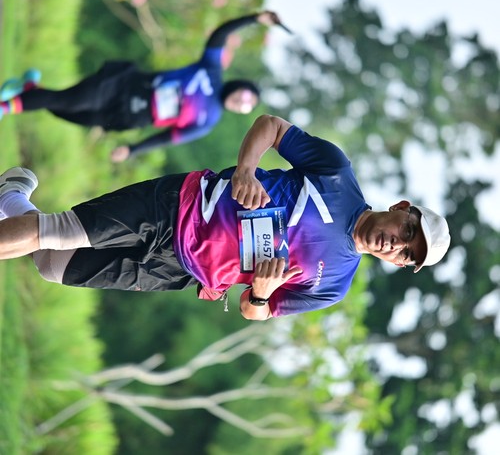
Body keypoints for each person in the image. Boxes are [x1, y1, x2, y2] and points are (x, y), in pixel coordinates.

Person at [0, 114, 451, 319]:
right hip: (179, 207)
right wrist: (246, 171)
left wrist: (261, 292)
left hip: (181, 270)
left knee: (53, 265)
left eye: (406, 254)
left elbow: (256, 313)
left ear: (399, 264)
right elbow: (271, 126)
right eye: (407, 231)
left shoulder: (333, 284)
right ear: (401, 208)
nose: (397, 244)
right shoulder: (336, 173)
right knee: (58, 233)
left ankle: (12, 193)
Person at [0, 11, 284, 162]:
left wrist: (132, 150)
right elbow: (220, 34)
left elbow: (167, 138)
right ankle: (6, 106)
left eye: (247, 106)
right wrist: (254, 19)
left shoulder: (208, 120)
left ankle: (29, 88)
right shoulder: (211, 71)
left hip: (128, 117)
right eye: (246, 96)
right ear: (239, 86)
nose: (242, 102)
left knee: (69, 112)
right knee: (69, 101)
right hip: (126, 87)